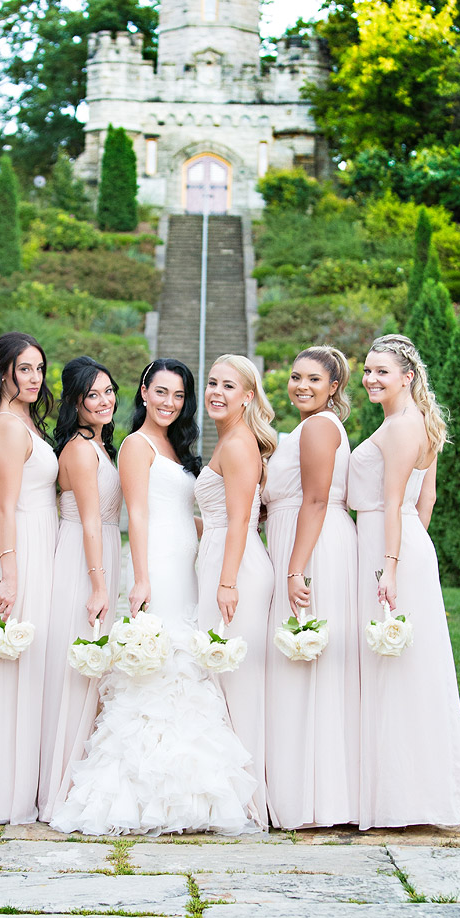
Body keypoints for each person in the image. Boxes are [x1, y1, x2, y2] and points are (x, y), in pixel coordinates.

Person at [50, 358, 258, 836]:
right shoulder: (135, 445)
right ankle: (141, 795)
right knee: (158, 670)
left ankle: (192, 788)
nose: (169, 402)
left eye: (179, 395)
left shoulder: (176, 446)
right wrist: (140, 577)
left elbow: (184, 511)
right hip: (158, 569)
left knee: (187, 668)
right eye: (160, 392)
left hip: (187, 568)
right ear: (143, 392)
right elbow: (137, 516)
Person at [348, 334, 460, 829]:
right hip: (408, 544)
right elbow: (428, 502)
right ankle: (416, 791)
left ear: (408, 376)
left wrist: (392, 566)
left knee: (394, 666)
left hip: (389, 547)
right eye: (367, 370)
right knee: (409, 665)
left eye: (382, 371)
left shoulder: (402, 427)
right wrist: (411, 554)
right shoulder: (419, 422)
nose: (371, 378)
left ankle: (401, 798)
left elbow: (397, 497)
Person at [262, 345, 360, 829]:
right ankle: (302, 787)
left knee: (308, 661)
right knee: (299, 664)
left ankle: (315, 798)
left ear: (334, 387)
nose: (302, 386)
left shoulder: (321, 426)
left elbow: (317, 500)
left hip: (312, 547)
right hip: (297, 539)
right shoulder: (303, 428)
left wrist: (296, 568)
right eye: (296, 376)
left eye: (314, 380)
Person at [0, 332, 58, 826]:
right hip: (19, 547)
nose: (35, 378)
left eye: (39, 369)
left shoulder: (23, 421)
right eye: (25, 369)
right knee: (9, 672)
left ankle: (25, 784)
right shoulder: (5, 426)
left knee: (30, 670)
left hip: (34, 544)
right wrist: (8, 570)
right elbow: (1, 505)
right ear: (3, 371)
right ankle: (2, 793)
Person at [39, 357, 122, 822]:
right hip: (83, 560)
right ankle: (63, 786)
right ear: (75, 402)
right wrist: (98, 584)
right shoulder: (77, 449)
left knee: (96, 666)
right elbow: (90, 521)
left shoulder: (100, 446)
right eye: (93, 394)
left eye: (109, 391)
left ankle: (83, 776)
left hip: (101, 551)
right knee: (80, 665)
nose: (105, 400)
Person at [195, 354, 275, 825]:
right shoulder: (231, 439)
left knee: (235, 678)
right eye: (211, 383)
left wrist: (227, 582)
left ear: (248, 396)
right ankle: (226, 792)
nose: (216, 392)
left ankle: (248, 802)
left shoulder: (240, 444)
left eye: (228, 386)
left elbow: (242, 519)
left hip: (236, 568)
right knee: (219, 675)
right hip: (223, 557)